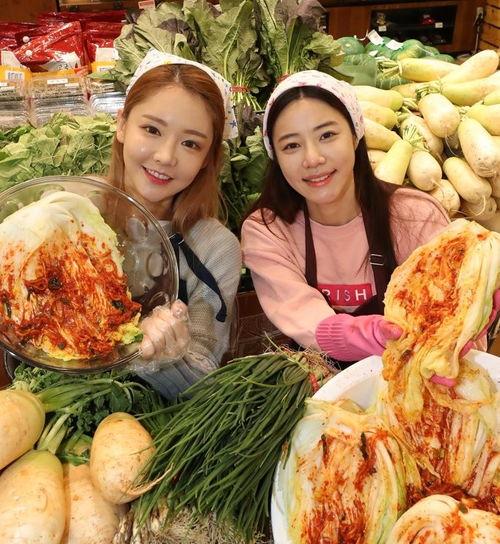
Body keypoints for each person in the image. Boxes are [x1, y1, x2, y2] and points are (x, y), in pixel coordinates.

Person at [241, 70, 450, 366]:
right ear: (275, 156)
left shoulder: (415, 216)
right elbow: (301, 314)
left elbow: (449, 317)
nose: (312, 159)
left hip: (415, 372)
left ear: (355, 135)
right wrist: (366, 335)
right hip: (321, 384)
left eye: (327, 135)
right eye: (291, 145)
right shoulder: (268, 231)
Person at [107, 50, 241, 399]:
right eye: (152, 129)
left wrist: (165, 358)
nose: (166, 156)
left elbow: (202, 384)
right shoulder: (71, 213)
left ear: (207, 159)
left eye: (190, 143)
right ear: (122, 124)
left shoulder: (215, 248)